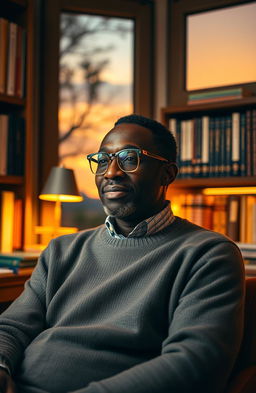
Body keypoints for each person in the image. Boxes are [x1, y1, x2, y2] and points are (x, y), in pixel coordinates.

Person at [0, 114, 245, 393]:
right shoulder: (62, 250)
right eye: (102, 161)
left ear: (167, 174)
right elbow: (12, 327)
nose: (111, 172)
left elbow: (196, 363)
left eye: (130, 159)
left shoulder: (208, 255)